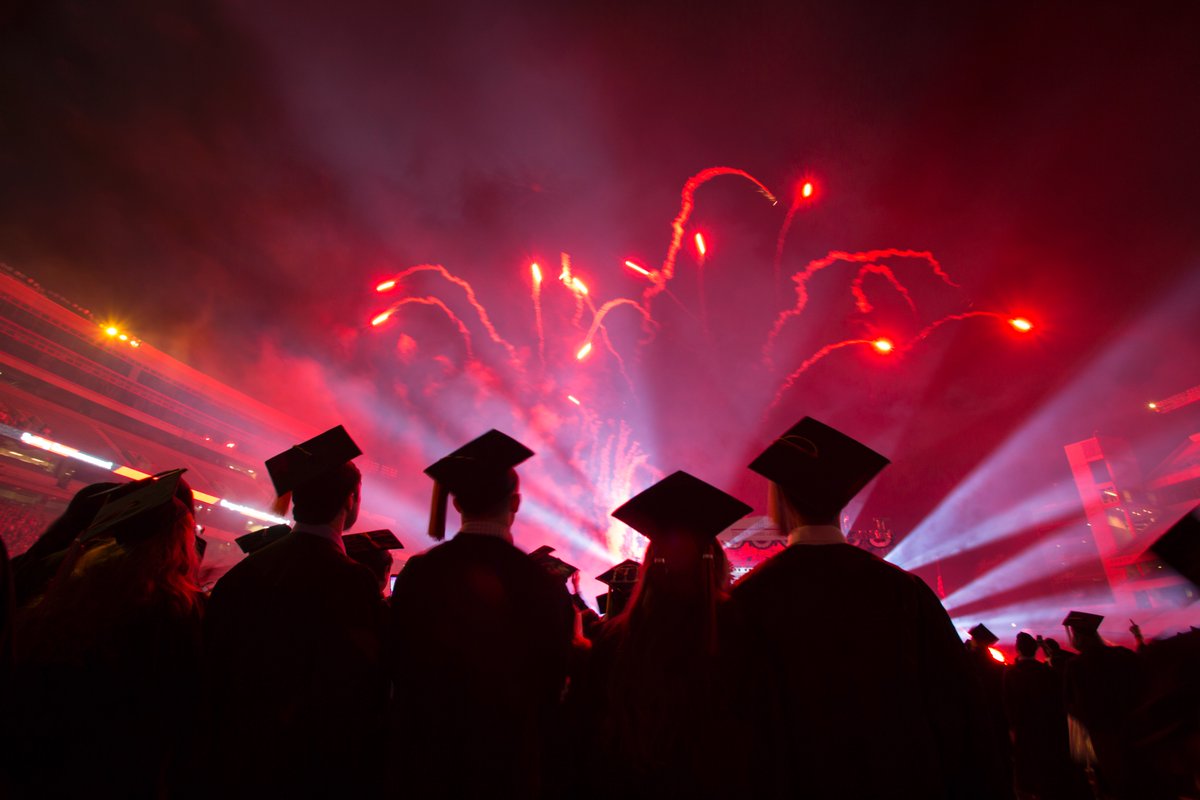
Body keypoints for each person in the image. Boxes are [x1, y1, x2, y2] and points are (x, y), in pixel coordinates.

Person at [724, 416, 1002, 799]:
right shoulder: (904, 591)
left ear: (781, 499)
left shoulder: (747, 600)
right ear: (845, 500)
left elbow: (735, 725)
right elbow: (957, 711)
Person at [386, 429, 574, 799]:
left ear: (455, 504)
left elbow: (395, 660)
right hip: (508, 763)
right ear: (516, 502)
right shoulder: (542, 582)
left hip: (427, 759)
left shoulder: (419, 574)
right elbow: (553, 684)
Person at [202, 426, 388, 799]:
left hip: (237, 755)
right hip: (314, 762)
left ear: (295, 500)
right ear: (351, 500)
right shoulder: (352, 582)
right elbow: (365, 683)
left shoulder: (245, 573)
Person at [1, 471, 204, 800]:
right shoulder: (177, 608)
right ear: (181, 535)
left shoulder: (73, 581)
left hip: (42, 759)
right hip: (117, 769)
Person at [570, 470, 750, 799]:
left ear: (650, 563)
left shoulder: (613, 642)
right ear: (714, 562)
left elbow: (587, 738)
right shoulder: (740, 631)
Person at [1061, 611, 1168, 799]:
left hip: (1106, 737)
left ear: (1077, 637)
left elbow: (1074, 705)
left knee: (1122, 785)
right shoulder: (1123, 655)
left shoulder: (1076, 666)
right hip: (1138, 728)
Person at [1004, 632, 1086, 800]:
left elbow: (1008, 703)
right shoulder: (1046, 671)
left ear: (1018, 649)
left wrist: (1012, 728)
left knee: (1032, 773)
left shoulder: (1011, 673)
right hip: (1050, 728)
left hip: (1026, 729)